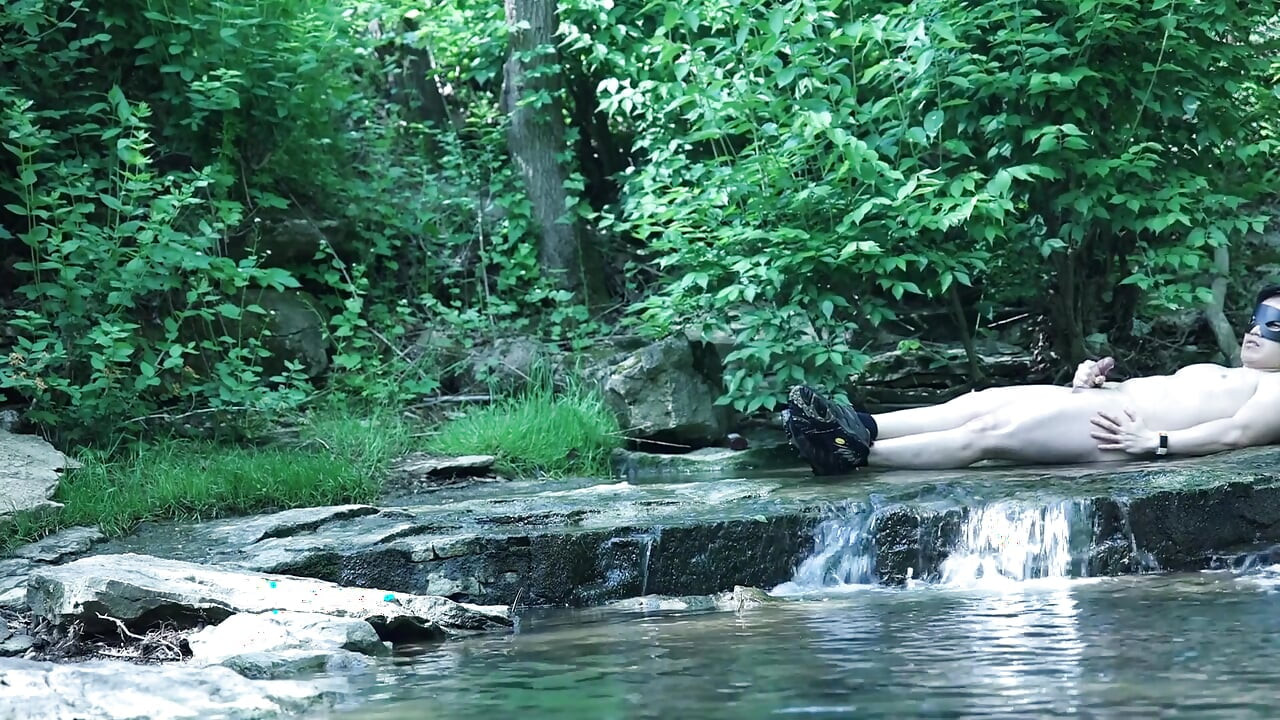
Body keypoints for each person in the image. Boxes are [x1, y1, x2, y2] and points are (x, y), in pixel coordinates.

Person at [783, 285, 1280, 473]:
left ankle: (855, 455)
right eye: (1257, 319)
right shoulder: (1231, 371)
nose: (1256, 330)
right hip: (1102, 405)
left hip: (1118, 432)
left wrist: (1157, 442)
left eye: (1274, 326)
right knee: (984, 399)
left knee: (989, 435)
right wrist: (1093, 381)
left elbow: (1237, 433)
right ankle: (863, 424)